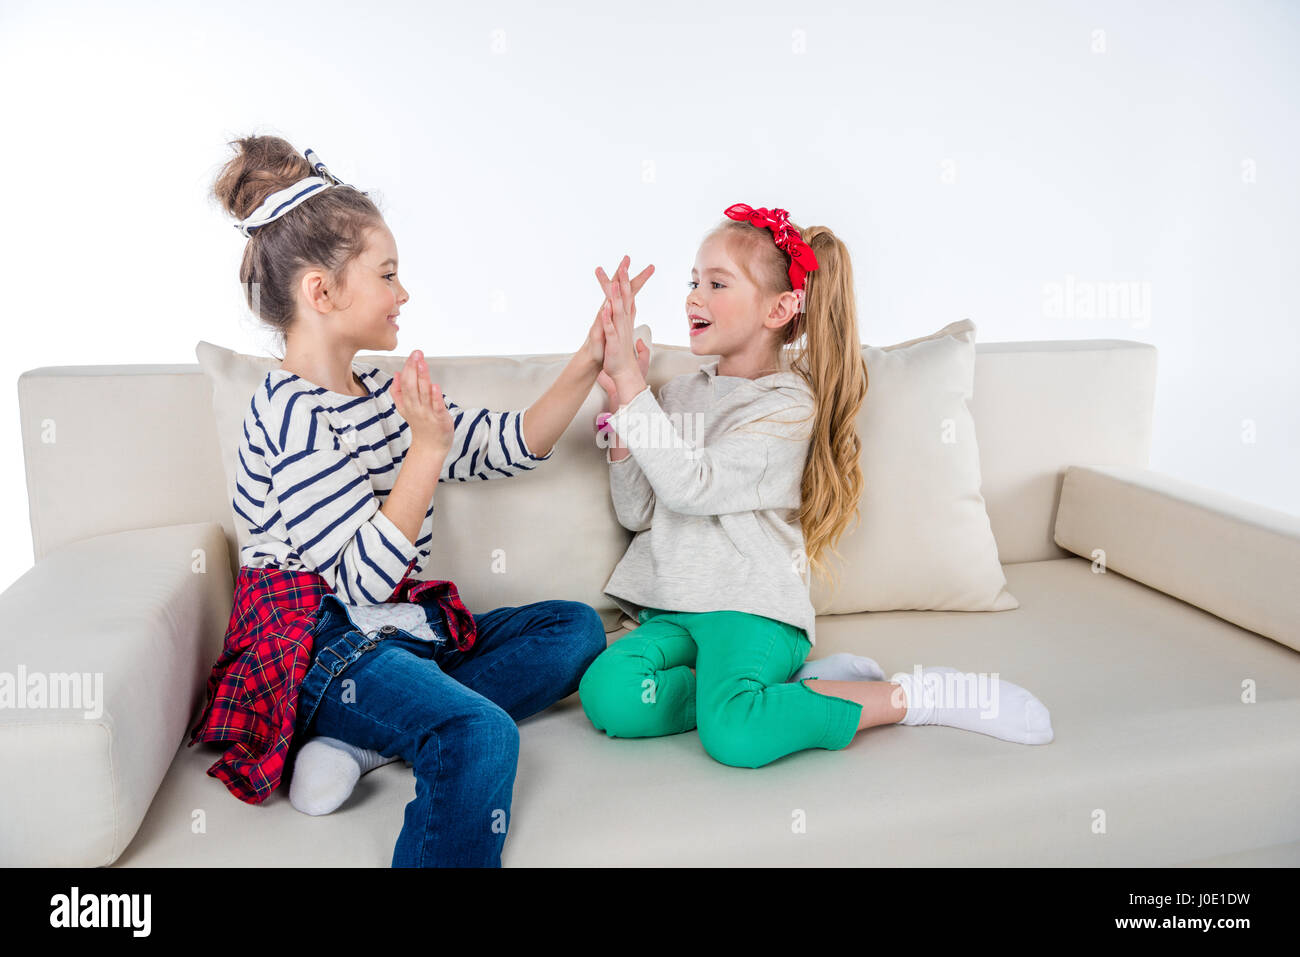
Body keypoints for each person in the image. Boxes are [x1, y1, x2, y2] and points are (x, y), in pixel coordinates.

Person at [188, 135, 645, 866]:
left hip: (388, 633)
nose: (403, 295)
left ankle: (364, 741)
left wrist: (590, 358)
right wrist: (426, 452)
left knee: (574, 629)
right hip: (316, 646)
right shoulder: (290, 413)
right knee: (479, 731)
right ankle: (382, 722)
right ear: (322, 293)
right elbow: (360, 582)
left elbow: (504, 444)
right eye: (388, 275)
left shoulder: (378, 392)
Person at [580, 203, 1054, 768]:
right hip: (671, 608)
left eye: (716, 284)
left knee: (735, 737)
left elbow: (694, 488)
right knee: (609, 694)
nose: (693, 298)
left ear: (779, 308)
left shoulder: (785, 406)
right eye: (693, 282)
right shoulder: (675, 397)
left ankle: (912, 697)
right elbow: (638, 513)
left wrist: (633, 390)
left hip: (750, 610)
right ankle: (776, 693)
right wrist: (624, 412)